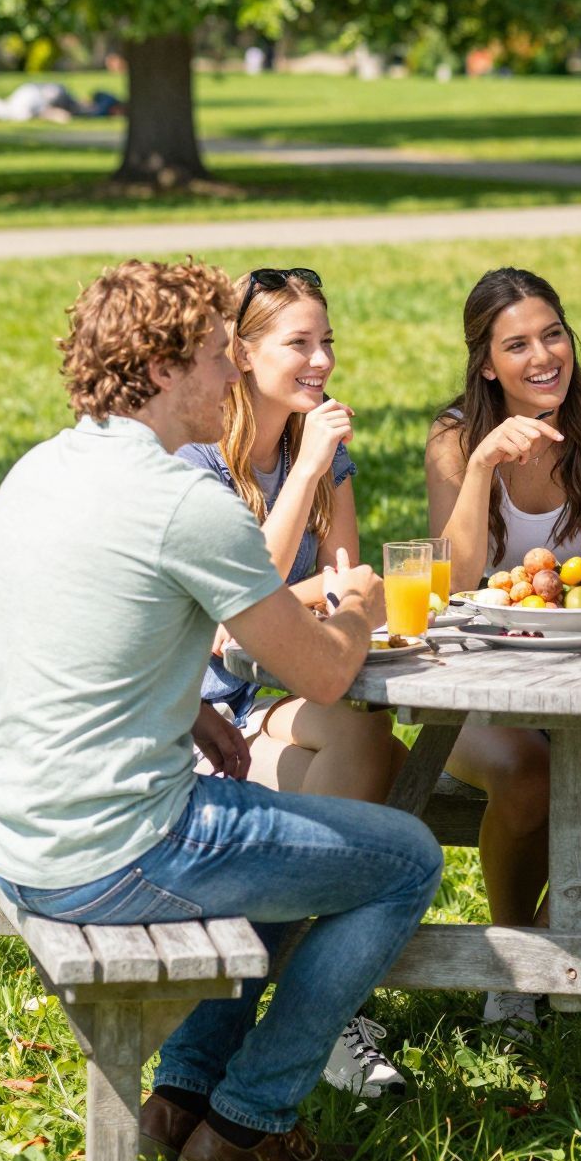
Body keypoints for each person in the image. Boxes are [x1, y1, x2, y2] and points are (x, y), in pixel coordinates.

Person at [0, 260, 442, 1161]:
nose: (235, 374)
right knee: (406, 859)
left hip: (23, 838)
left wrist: (190, 706)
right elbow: (317, 667)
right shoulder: (184, 500)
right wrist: (357, 600)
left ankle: (185, 1094)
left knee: (287, 860)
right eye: (213, 356)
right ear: (159, 368)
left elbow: (66, 635)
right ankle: (252, 1122)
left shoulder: (42, 467)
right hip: (118, 851)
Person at [180, 265, 408, 1105]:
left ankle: (309, 1009)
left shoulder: (325, 452)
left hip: (279, 693)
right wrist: (308, 472)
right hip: (200, 718)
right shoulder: (201, 460)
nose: (320, 361)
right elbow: (241, 604)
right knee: (360, 809)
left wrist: (313, 596)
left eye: (327, 342)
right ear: (241, 354)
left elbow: (343, 586)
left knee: (361, 736)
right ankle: (312, 1012)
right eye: (299, 343)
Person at [425, 266, 581, 1028]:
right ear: (487, 362)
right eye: (516, 345)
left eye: (552, 334)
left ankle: (567, 935)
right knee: (526, 772)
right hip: (480, 684)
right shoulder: (456, 436)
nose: (542, 356)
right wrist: (484, 463)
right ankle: (513, 963)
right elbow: (450, 581)